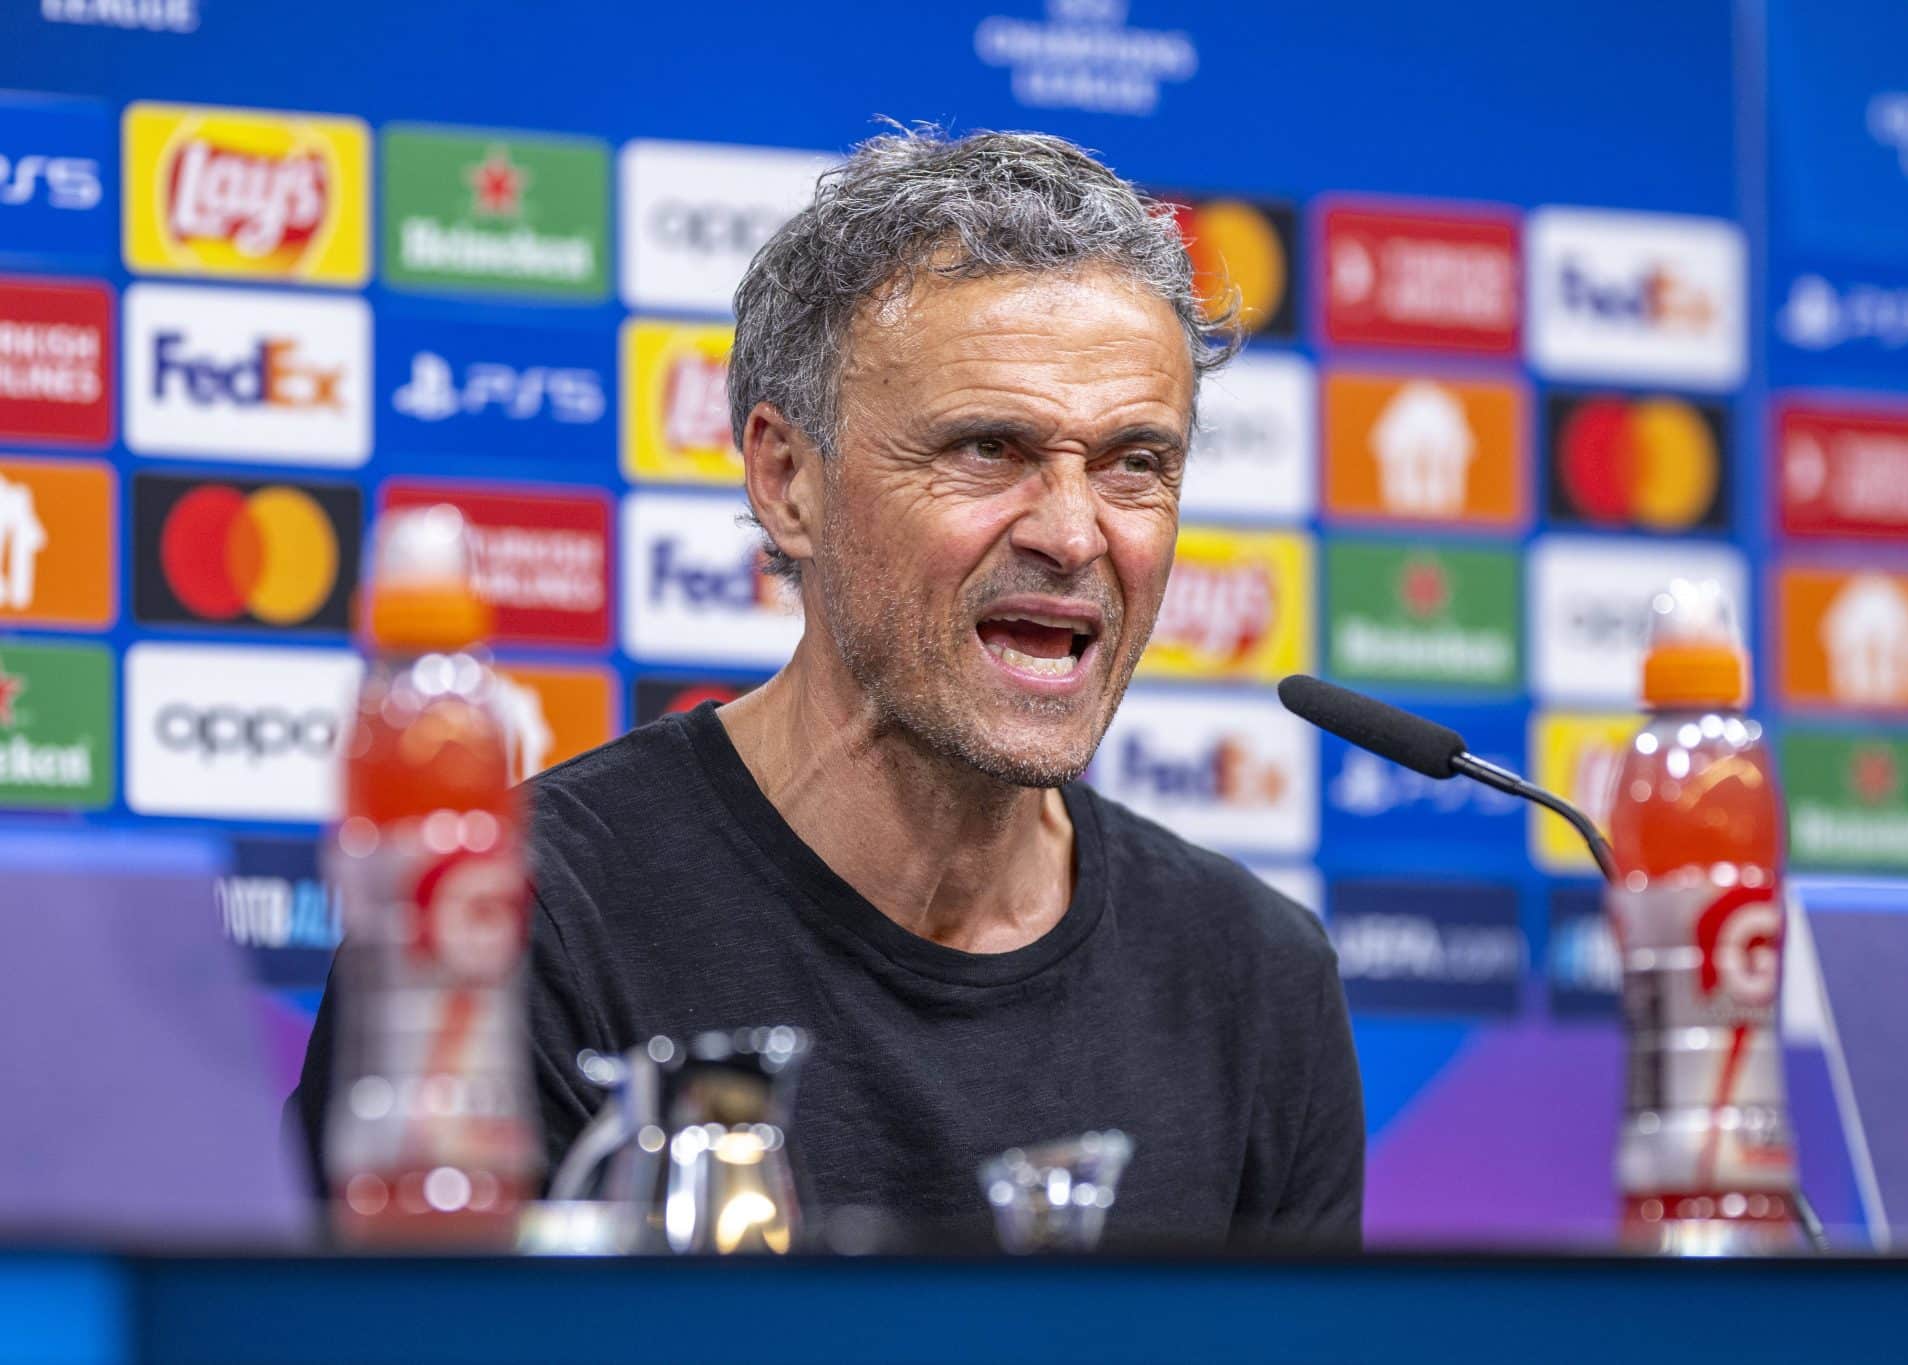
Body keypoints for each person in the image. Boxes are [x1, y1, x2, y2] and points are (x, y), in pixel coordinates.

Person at [294, 126, 1363, 1249]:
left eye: (1133, 463)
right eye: (987, 449)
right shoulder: (510, 927)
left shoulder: (1258, 977)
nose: (1072, 533)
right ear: (787, 479)